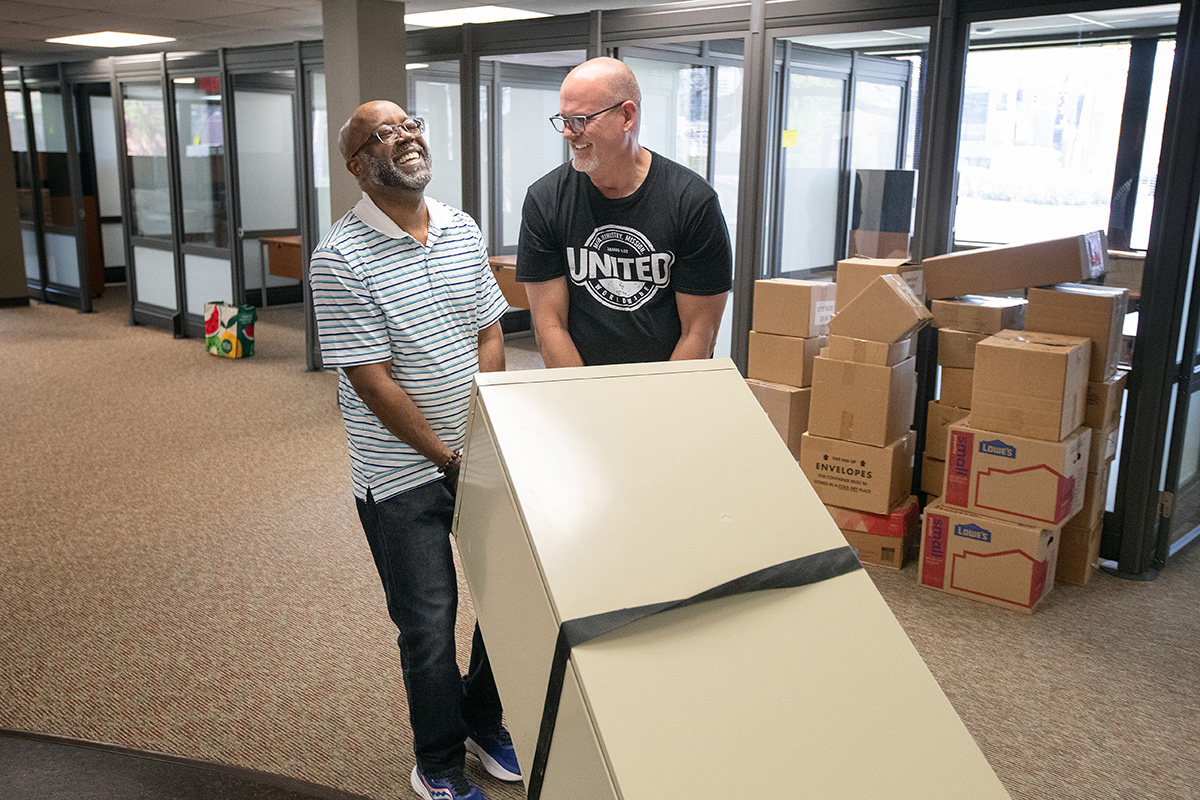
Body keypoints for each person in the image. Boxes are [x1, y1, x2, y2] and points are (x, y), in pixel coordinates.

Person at [309, 100, 519, 800]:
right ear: (358, 166)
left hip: (479, 456)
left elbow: (491, 328)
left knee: (507, 596)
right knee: (428, 623)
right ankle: (436, 764)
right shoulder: (339, 258)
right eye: (384, 133)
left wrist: (486, 432)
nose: (406, 137)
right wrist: (449, 456)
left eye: (410, 124)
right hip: (402, 477)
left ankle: (484, 720)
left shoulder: (461, 226)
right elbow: (372, 382)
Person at [516, 57, 733, 367]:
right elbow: (550, 327)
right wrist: (587, 401)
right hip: (581, 392)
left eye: (579, 119)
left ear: (627, 116)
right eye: (563, 120)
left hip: (668, 391)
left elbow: (699, 335)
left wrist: (654, 410)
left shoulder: (692, 202)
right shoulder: (546, 199)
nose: (567, 133)